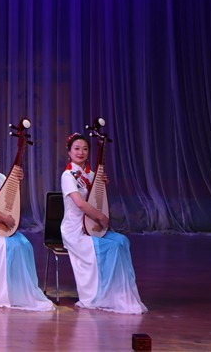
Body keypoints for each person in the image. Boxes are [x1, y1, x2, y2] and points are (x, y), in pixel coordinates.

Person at [60, 133, 147, 314]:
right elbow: (80, 203)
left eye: (85, 149)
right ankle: (101, 294)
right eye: (76, 149)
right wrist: (100, 217)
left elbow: (97, 200)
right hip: (75, 230)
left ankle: (120, 293)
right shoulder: (67, 176)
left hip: (91, 224)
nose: (81, 152)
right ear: (69, 152)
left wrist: (101, 185)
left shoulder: (92, 174)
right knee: (111, 247)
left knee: (122, 241)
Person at [0, 136, 54, 311]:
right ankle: (0, 295)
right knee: (9, 247)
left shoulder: (1, 177)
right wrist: (4, 218)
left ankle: (21, 291)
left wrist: (16, 182)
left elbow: (10, 201)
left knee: (24, 244)